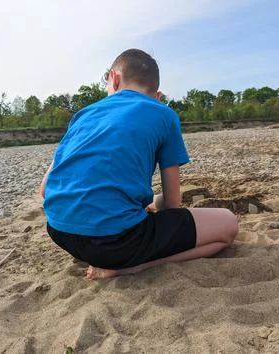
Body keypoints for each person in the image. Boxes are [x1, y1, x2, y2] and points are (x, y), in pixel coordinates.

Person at [40, 49, 238, 280]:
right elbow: (173, 204)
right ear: (156, 92)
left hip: (60, 232)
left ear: (114, 78)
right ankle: (130, 268)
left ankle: (117, 253)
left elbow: (45, 189)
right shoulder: (163, 114)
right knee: (227, 224)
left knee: (134, 211)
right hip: (117, 241)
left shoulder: (83, 114)